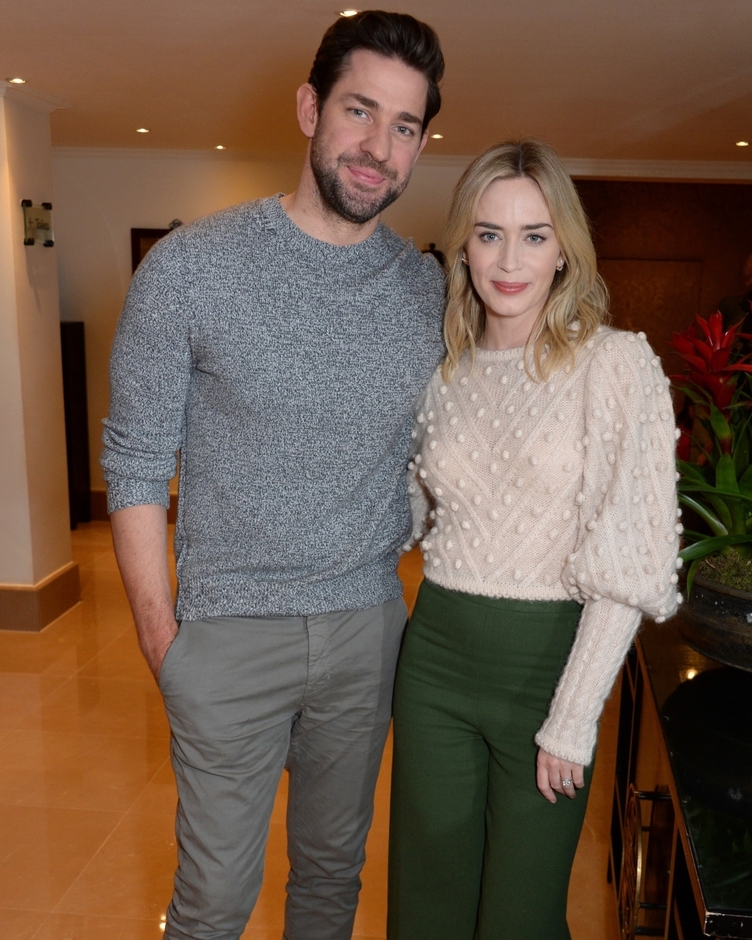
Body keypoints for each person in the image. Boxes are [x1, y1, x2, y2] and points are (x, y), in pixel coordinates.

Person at [101, 12, 445, 940]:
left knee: (333, 878)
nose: (378, 148)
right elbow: (132, 462)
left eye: (405, 126)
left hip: (368, 630)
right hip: (226, 634)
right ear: (309, 108)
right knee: (213, 902)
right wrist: (163, 640)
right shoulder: (188, 271)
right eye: (360, 111)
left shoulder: (423, 292)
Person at [388, 139, 682, 940]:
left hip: (549, 666)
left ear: (565, 251)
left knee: (519, 913)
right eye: (488, 234)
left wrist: (574, 715)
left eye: (534, 234)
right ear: (463, 247)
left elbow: (630, 565)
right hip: (437, 658)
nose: (508, 259)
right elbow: (413, 513)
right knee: (427, 899)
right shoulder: (443, 368)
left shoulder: (615, 366)